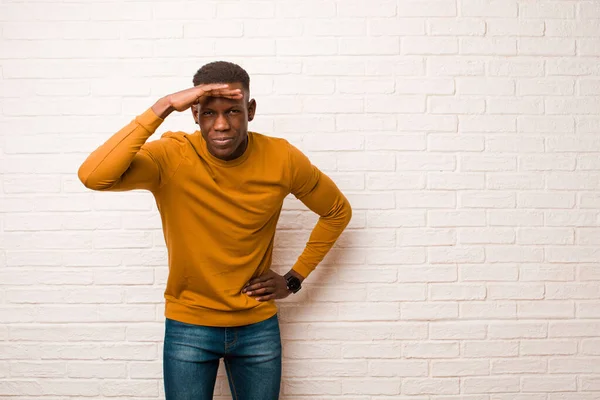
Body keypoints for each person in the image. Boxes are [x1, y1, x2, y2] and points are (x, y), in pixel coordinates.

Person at [78, 61, 352, 400]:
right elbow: (94, 175)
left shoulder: (282, 158)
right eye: (209, 113)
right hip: (188, 326)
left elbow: (337, 211)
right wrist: (162, 106)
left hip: (257, 326)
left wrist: (294, 278)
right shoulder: (172, 156)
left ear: (250, 110)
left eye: (233, 111)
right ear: (194, 113)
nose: (222, 125)